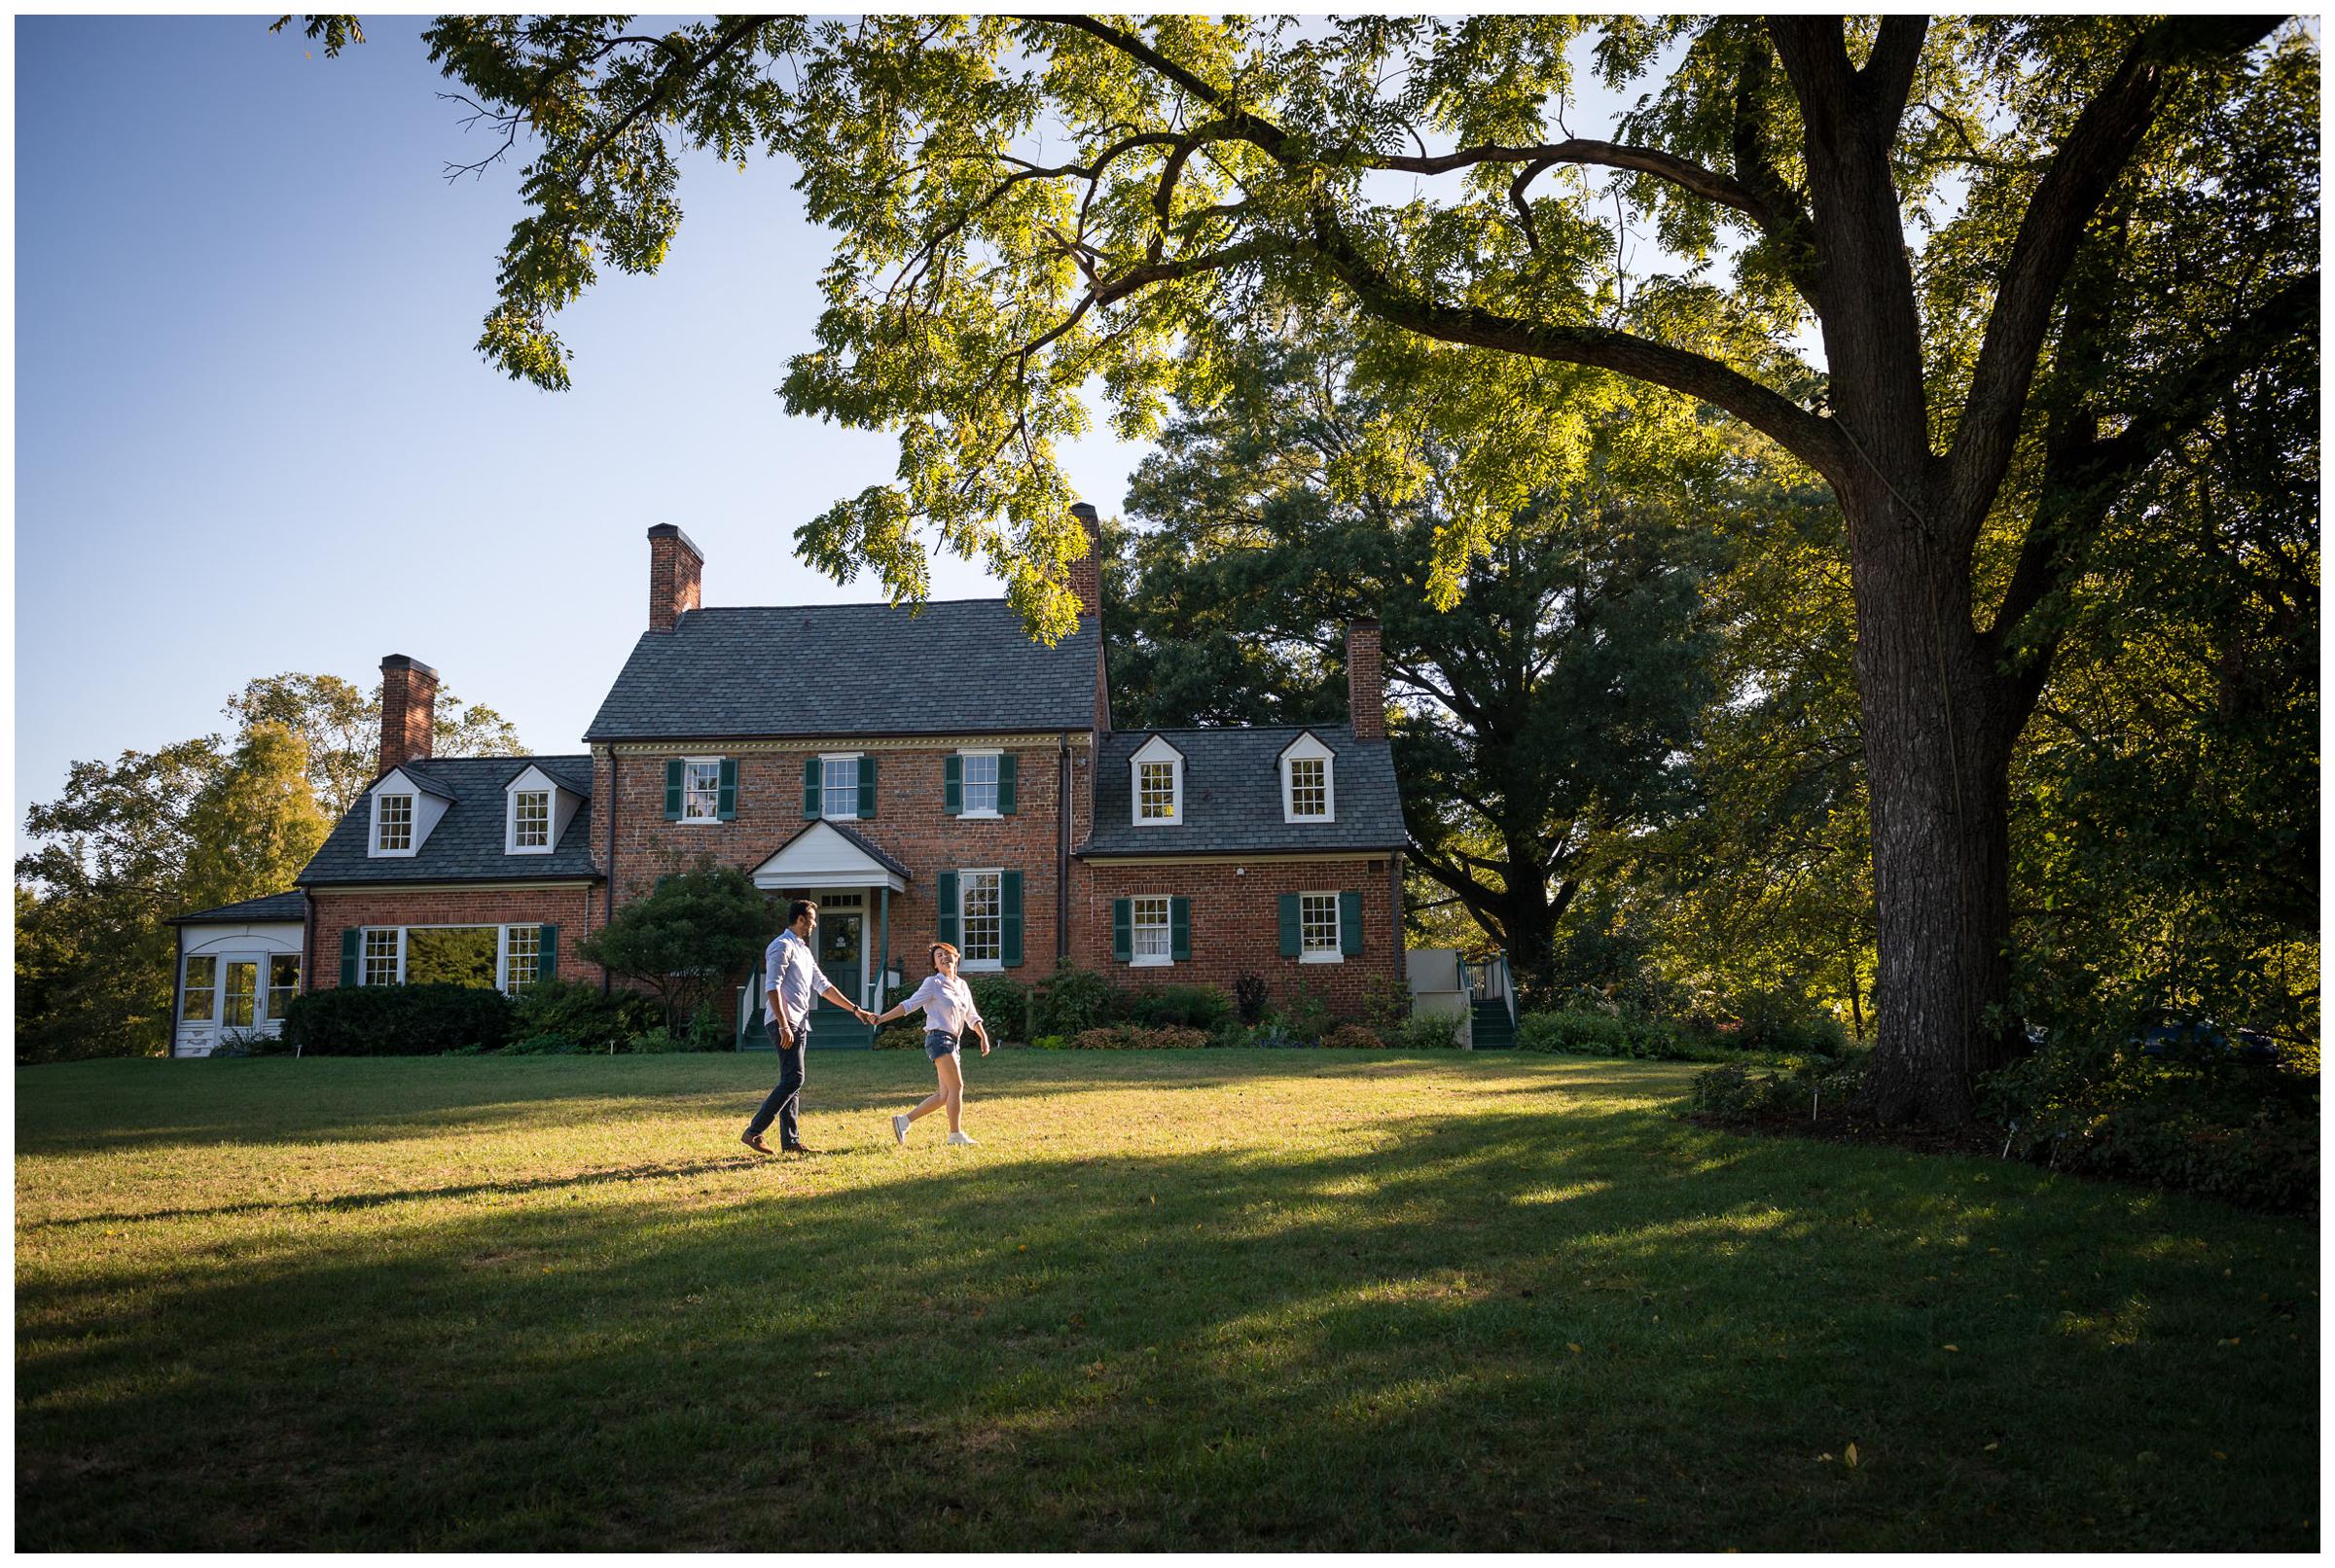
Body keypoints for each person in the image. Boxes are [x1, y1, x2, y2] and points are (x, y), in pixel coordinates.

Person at [741, 899, 875, 1156]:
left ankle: (790, 1142)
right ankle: (754, 1131)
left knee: (792, 1081)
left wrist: (855, 1010)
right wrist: (783, 1025)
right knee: (794, 1078)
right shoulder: (781, 946)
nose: (815, 923)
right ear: (801, 919)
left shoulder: (803, 950)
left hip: (799, 1022)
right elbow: (772, 987)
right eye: (812, 919)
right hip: (784, 1022)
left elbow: (824, 987)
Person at [874, 941, 989, 1147]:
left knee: (944, 1095)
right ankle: (955, 1135)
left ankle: (903, 1121)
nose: (944, 957)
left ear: (957, 957)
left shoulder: (962, 986)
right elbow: (909, 1005)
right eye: (939, 956)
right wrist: (882, 1018)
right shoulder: (933, 984)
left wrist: (983, 1036)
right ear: (935, 965)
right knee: (957, 1086)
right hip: (938, 1039)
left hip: (953, 1042)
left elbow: (971, 1015)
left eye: (947, 953)